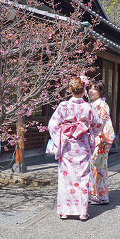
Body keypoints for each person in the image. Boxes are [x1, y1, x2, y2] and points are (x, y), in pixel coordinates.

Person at [48, 77, 101, 220]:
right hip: (82, 145)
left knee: (66, 178)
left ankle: (65, 211)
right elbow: (98, 124)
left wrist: (61, 135)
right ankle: (82, 212)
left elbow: (52, 125)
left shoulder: (63, 106)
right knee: (82, 178)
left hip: (67, 146)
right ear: (84, 90)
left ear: (70, 90)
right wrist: (88, 133)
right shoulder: (88, 107)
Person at [87, 80, 116, 206]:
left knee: (99, 167)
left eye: (95, 89)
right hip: (97, 139)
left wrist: (98, 141)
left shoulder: (102, 105)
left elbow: (102, 124)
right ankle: (95, 194)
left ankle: (102, 196)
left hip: (101, 139)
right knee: (94, 167)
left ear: (101, 91)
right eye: (90, 88)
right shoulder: (94, 103)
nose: (91, 91)